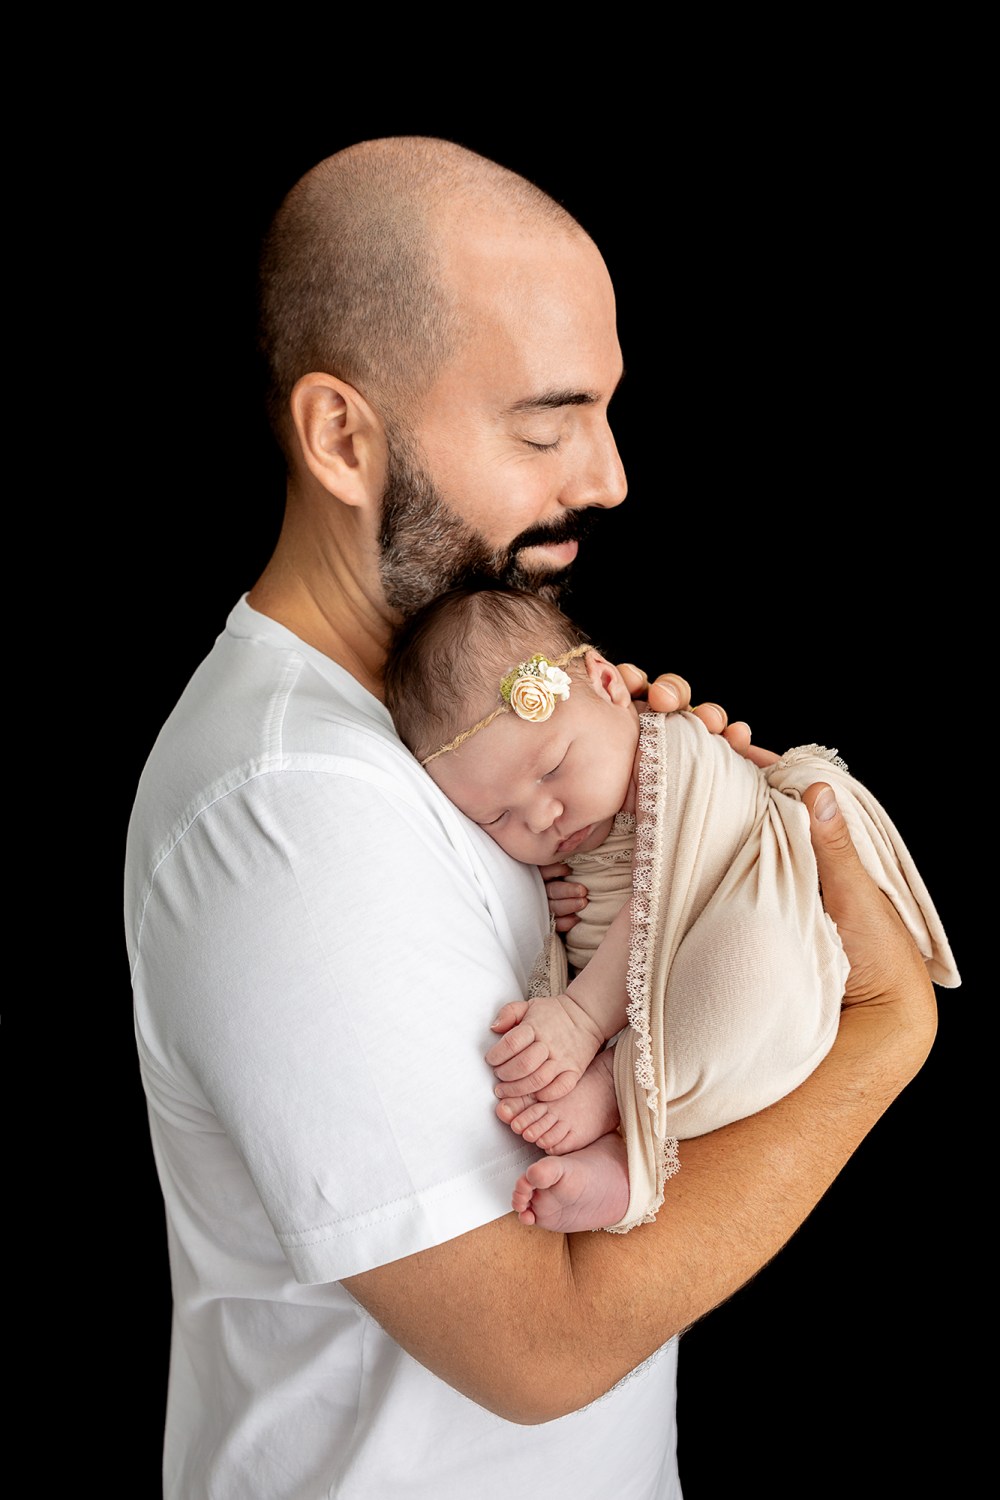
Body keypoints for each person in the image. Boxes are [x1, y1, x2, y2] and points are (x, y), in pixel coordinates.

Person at [124, 136, 938, 1500]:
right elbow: (539, 1347)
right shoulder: (289, 805)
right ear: (342, 435)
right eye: (546, 422)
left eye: (607, 413)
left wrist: (675, 832)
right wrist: (881, 1033)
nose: (609, 474)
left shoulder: (456, 727)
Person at [385, 584, 960, 1236]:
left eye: (551, 770)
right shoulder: (565, 830)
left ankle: (618, 1092)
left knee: (751, 961)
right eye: (499, 816)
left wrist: (579, 1017)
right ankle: (630, 1168)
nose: (543, 816)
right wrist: (541, 896)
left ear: (605, 683)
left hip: (770, 972)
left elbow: (665, 901)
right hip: (677, 1033)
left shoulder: (671, 754)